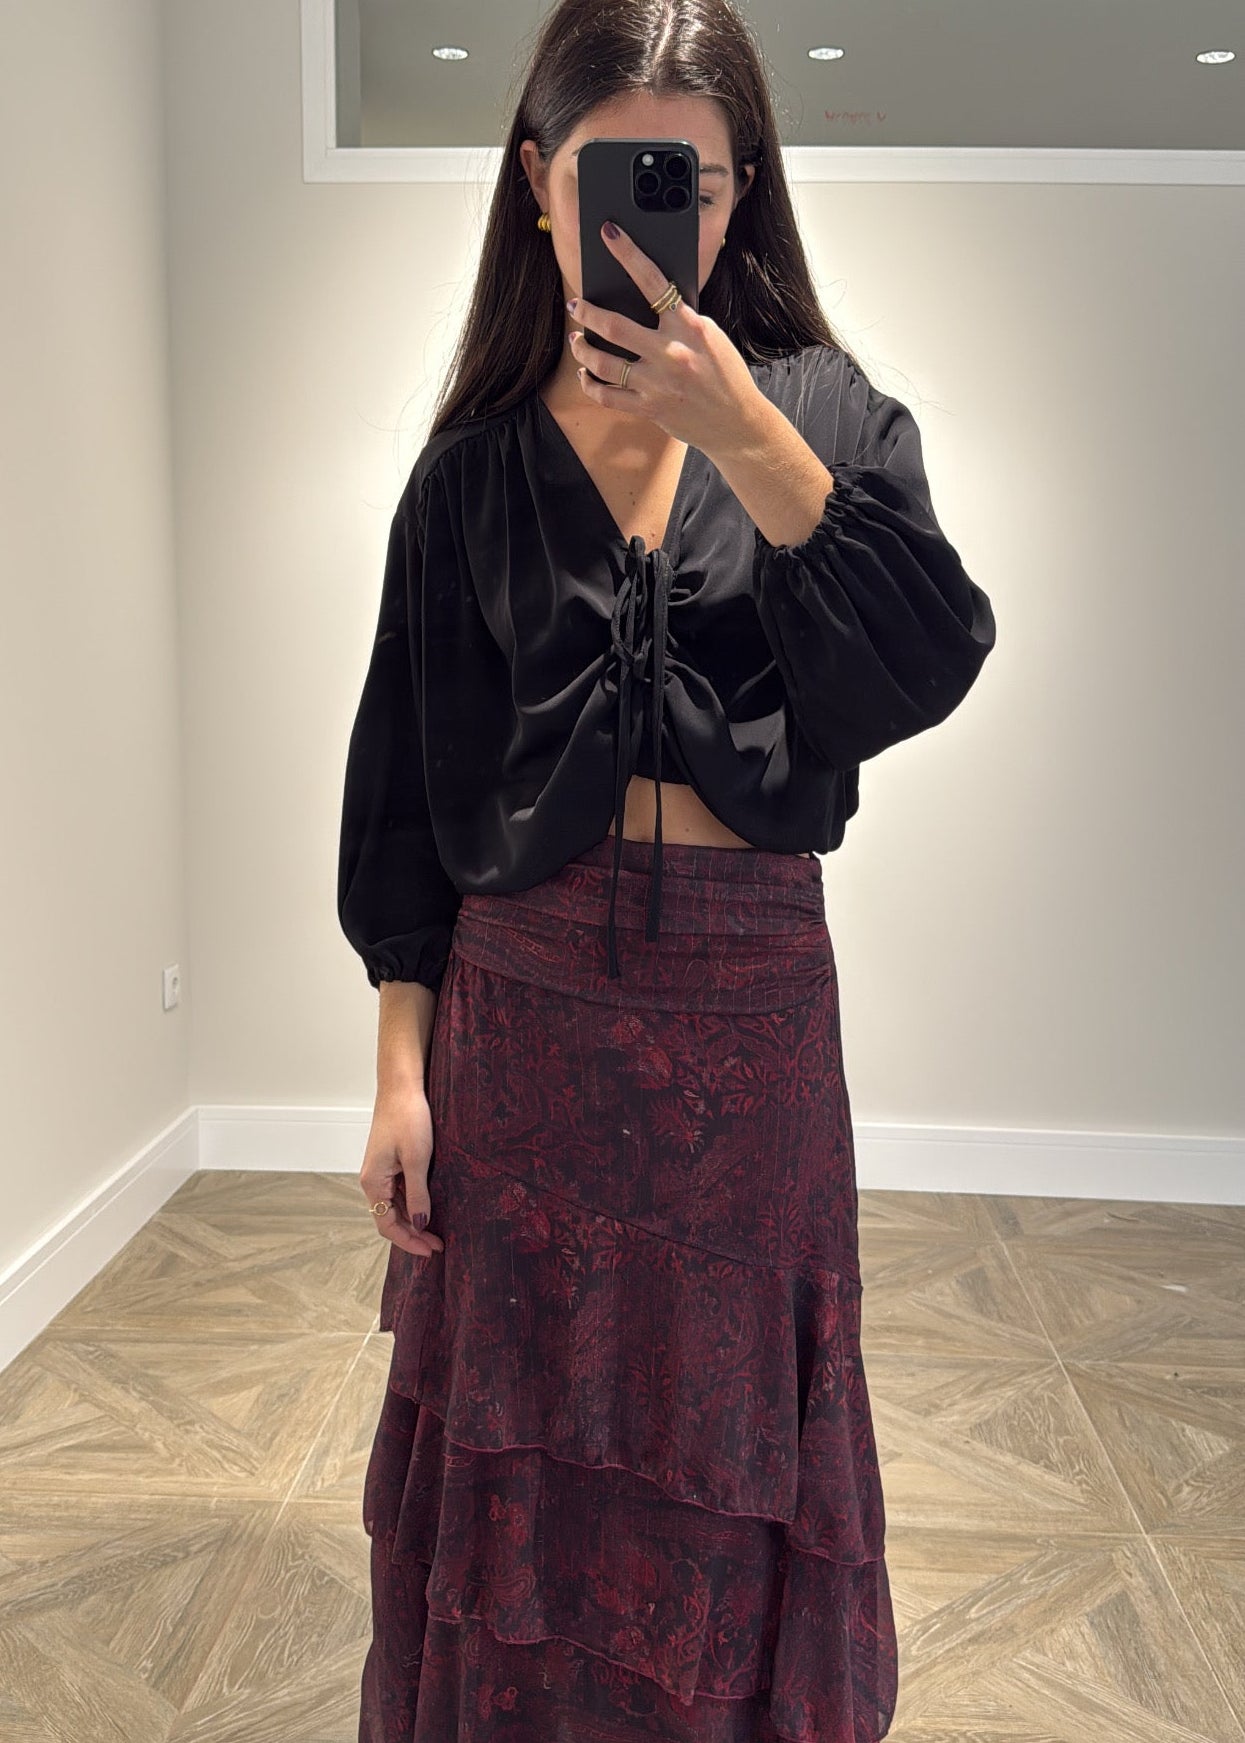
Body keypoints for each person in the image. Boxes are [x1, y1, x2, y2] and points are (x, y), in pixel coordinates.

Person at [337, 1, 997, 1737]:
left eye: (687, 183)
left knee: (729, 1422)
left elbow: (919, 663)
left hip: (745, 1022)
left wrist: (748, 440)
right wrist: (399, 1069)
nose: (649, 216)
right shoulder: (471, 472)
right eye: (610, 175)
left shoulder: (827, 419)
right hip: (522, 1012)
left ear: (739, 189)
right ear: (539, 183)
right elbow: (402, 793)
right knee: (523, 1405)